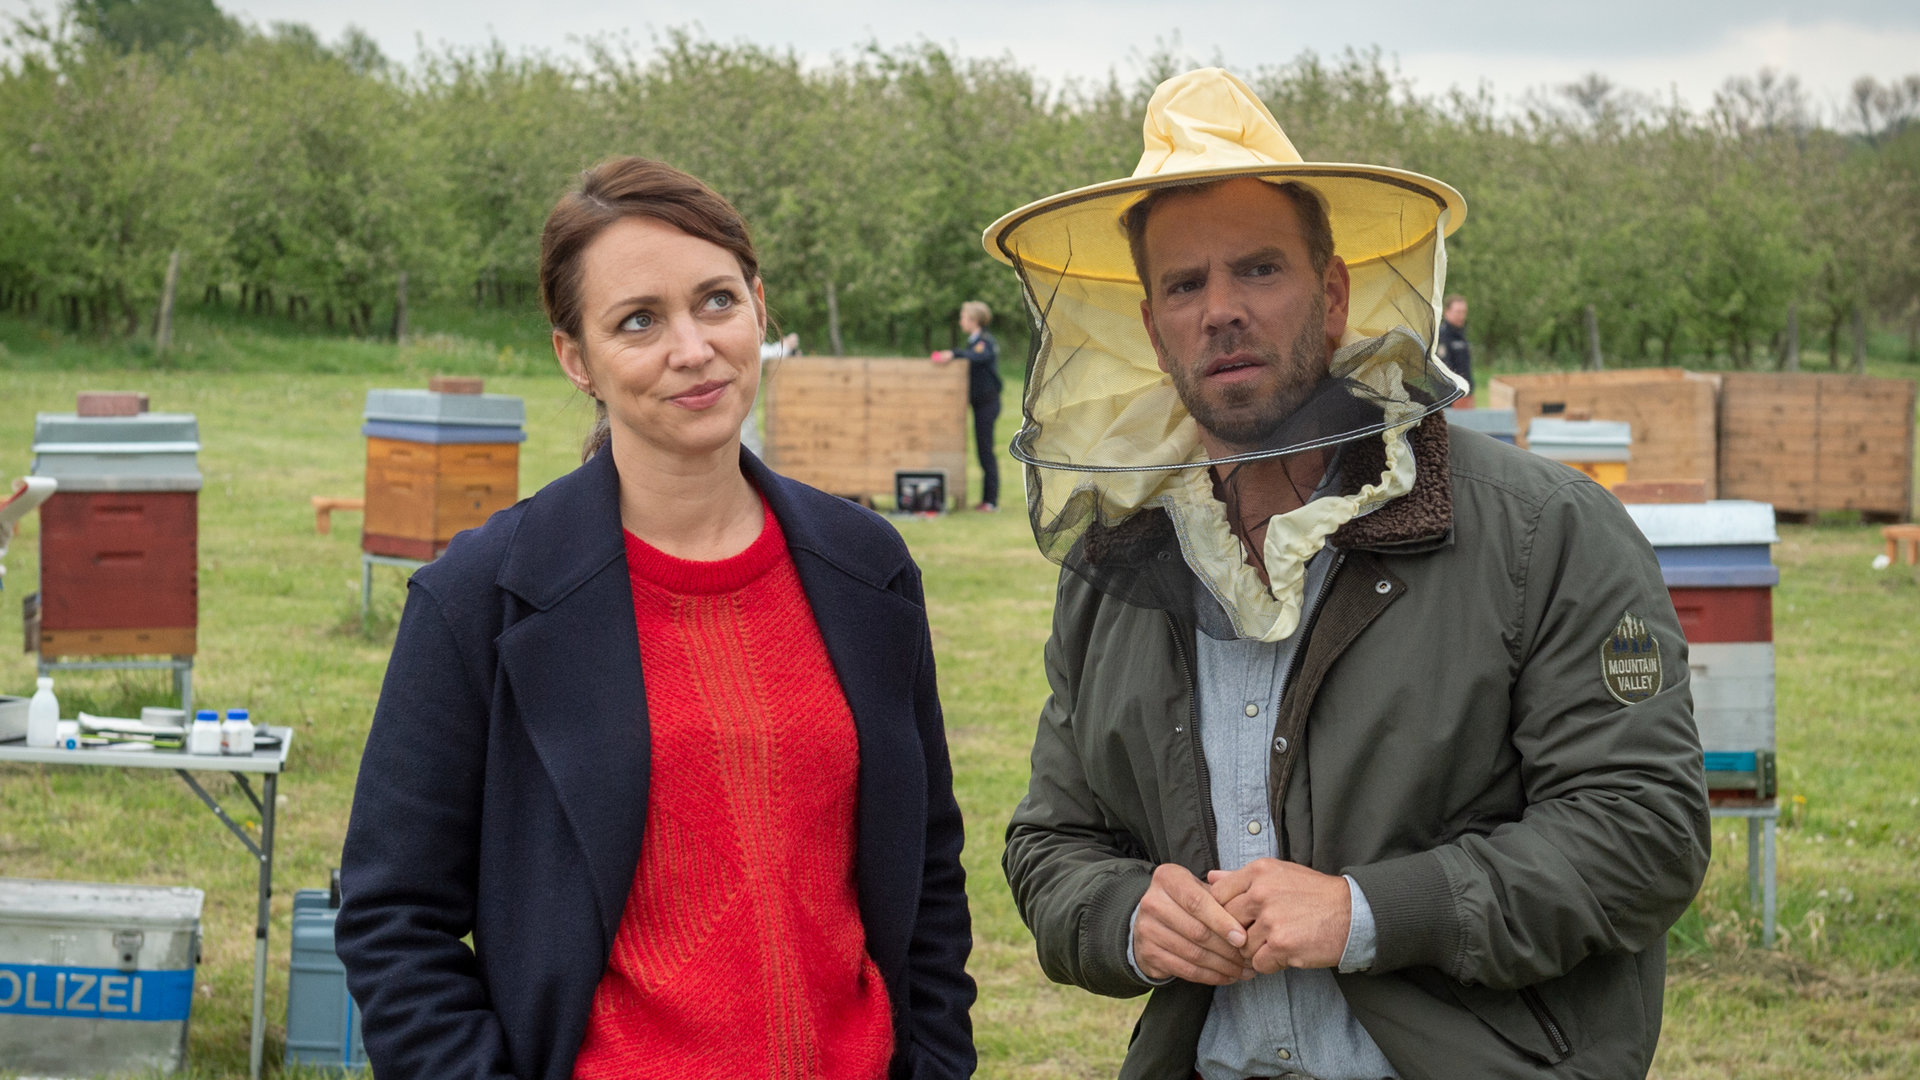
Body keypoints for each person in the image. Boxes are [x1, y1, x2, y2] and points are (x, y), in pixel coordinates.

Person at [988, 69, 1708, 1079]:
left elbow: (1642, 830)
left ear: (1332, 298)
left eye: (1259, 270)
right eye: (1185, 285)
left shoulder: (1541, 532)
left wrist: (1365, 912)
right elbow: (1052, 839)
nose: (1221, 311)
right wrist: (1127, 917)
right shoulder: (1121, 559)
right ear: (1152, 329)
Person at [335, 157, 975, 1080]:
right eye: (638, 320)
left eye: (716, 301)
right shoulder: (477, 600)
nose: (692, 347)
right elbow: (393, 918)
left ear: (759, 306)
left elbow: (927, 869)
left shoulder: (866, 569)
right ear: (576, 359)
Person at [931, 300, 1003, 511]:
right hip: (980, 404)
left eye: (963, 317)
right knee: (982, 450)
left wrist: (954, 354)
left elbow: (979, 357)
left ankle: (990, 502)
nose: (961, 321)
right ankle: (987, 500)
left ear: (974, 320)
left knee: (986, 451)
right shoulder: (974, 342)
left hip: (987, 404)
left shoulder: (984, 342)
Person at [1438, 294, 1474, 407]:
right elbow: (1445, 369)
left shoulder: (1461, 335)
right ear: (1447, 312)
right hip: (1452, 396)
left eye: (1464, 312)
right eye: (1458, 312)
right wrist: (1456, 395)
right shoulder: (1442, 336)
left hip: (1465, 392)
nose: (1461, 316)